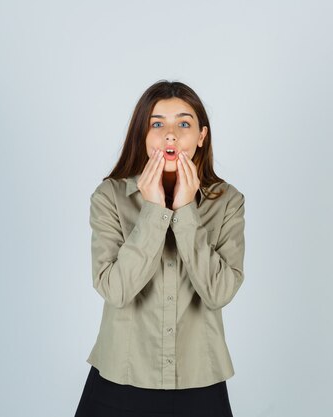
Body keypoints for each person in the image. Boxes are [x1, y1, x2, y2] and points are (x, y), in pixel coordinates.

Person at [74, 80, 246, 417]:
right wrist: (155, 212)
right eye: (157, 124)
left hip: (201, 381)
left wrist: (185, 213)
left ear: (201, 136)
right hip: (119, 380)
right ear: (143, 135)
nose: (171, 135)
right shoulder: (109, 197)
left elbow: (219, 292)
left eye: (184, 123)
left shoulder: (227, 202)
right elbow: (115, 289)